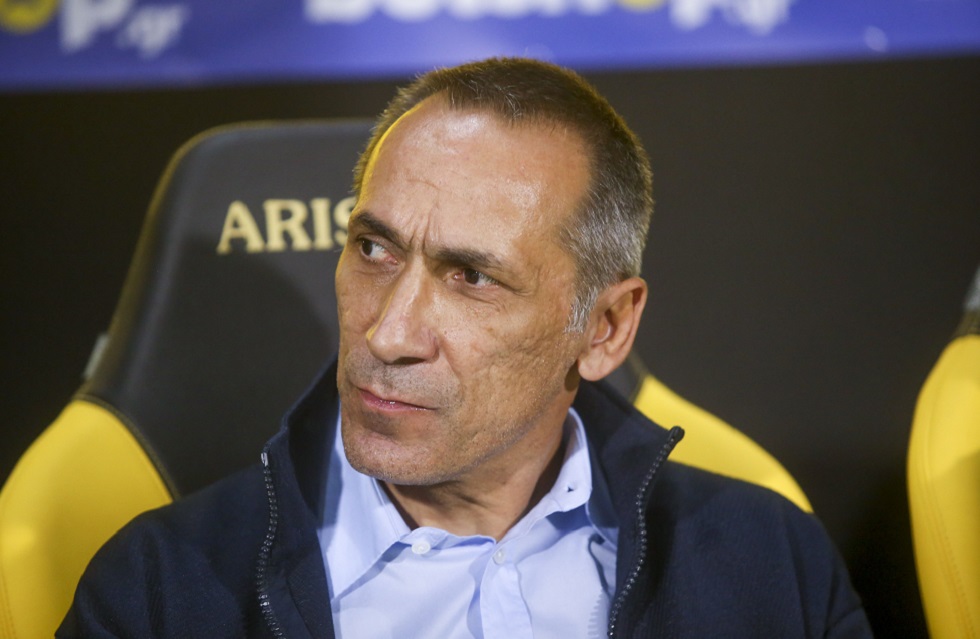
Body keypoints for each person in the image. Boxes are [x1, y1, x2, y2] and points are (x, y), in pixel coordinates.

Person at [59, 58, 872, 638]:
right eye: (373, 249)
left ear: (605, 328)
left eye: (472, 277)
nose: (388, 333)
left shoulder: (772, 565)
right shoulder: (158, 592)